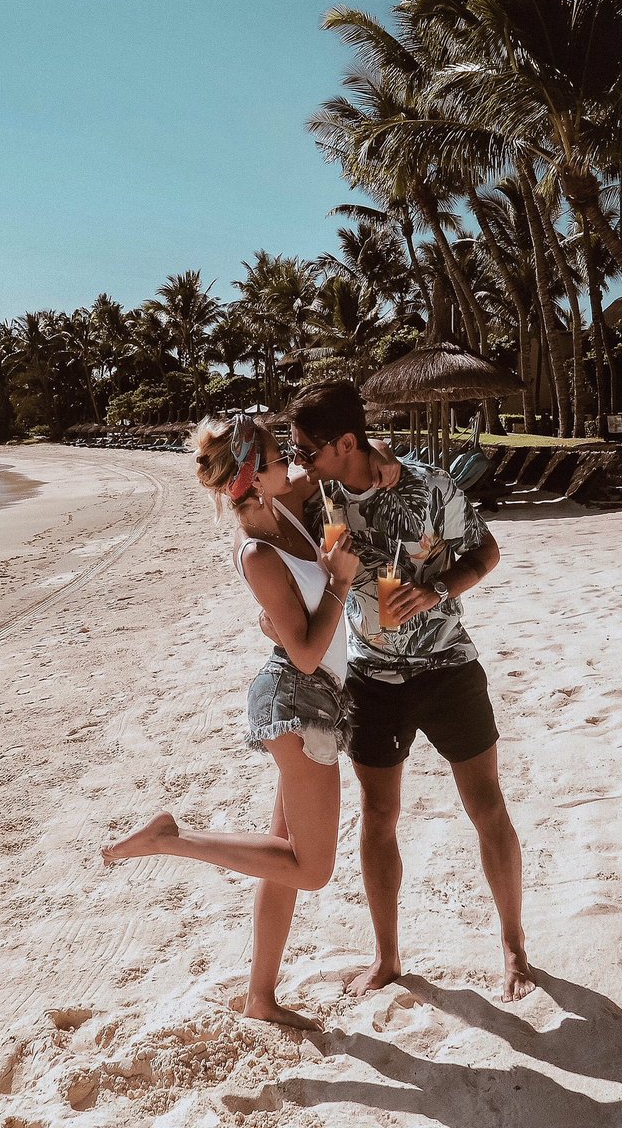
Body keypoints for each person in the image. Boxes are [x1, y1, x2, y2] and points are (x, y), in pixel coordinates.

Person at [100, 414, 360, 1029]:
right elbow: (301, 650)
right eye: (275, 456)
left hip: (316, 696)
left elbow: (322, 459)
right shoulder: (257, 554)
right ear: (254, 477)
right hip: (300, 702)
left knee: (282, 857)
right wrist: (341, 585)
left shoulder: (287, 505)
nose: (289, 461)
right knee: (313, 868)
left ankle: (260, 998)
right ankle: (169, 838)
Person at [285, 381, 535, 1004]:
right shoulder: (321, 495)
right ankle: (388, 956)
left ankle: (513, 945)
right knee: (379, 817)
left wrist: (441, 589)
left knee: (487, 808)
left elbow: (487, 550)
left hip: (449, 668)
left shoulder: (429, 486)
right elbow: (250, 483)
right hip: (373, 676)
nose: (301, 462)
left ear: (347, 442)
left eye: (310, 450)